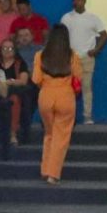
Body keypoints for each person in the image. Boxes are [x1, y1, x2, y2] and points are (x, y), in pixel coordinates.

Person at [35, 24, 81, 182]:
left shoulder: (40, 55)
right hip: (66, 97)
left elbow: (36, 79)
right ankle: (53, 174)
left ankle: (44, 169)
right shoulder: (72, 55)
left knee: (49, 134)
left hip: (46, 96)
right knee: (61, 137)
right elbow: (78, 77)